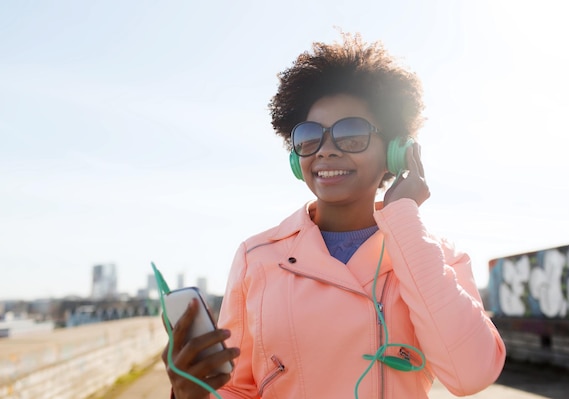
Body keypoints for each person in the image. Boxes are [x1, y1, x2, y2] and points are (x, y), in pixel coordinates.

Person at [162, 33, 506, 399]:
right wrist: (189, 395)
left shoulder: (435, 255)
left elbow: (472, 374)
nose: (326, 151)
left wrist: (403, 216)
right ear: (297, 156)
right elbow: (238, 390)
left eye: (352, 134)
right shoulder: (257, 258)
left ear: (395, 151)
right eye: (311, 137)